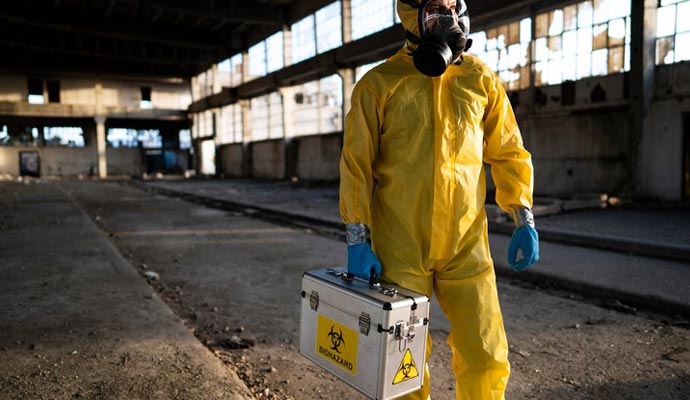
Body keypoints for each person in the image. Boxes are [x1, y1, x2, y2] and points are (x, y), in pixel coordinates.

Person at [338, 0, 539, 399]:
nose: (449, 21)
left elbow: (508, 150)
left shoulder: (480, 79)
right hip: (401, 246)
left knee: (486, 354)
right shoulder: (379, 83)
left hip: (467, 245)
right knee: (401, 363)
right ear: (412, 17)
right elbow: (355, 164)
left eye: (454, 8)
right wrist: (357, 236)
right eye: (436, 11)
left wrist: (523, 216)